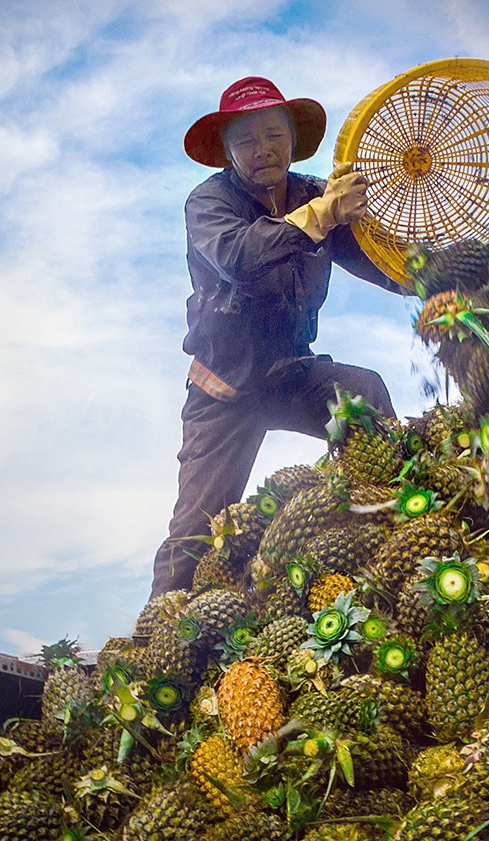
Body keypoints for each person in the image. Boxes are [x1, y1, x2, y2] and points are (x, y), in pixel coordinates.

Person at [151, 76, 406, 596]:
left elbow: (383, 263)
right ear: (226, 152)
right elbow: (238, 257)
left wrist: (450, 275)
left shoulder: (317, 194)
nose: (262, 150)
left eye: (273, 134)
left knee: (366, 394)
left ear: (293, 138)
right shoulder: (208, 204)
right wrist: (322, 214)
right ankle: (148, 648)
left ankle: (390, 541)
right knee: (195, 535)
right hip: (224, 390)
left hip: (291, 374)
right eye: (245, 140)